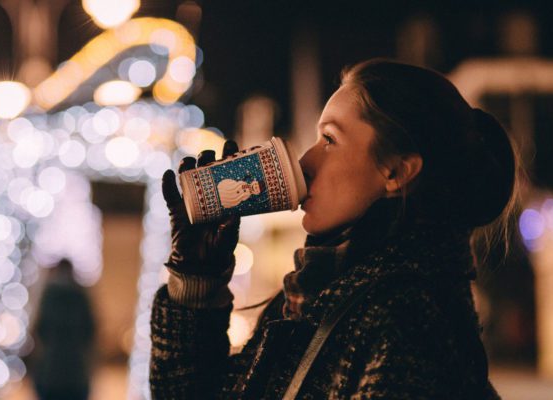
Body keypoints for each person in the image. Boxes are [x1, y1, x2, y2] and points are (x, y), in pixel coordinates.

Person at [150, 59, 517, 399]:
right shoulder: (318, 293)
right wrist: (197, 280)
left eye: (329, 139)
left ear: (397, 172)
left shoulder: (404, 322)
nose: (306, 161)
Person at [29, 259, 96, 400]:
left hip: (51, 370)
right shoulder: (80, 295)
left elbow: (40, 328)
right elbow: (90, 329)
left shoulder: (49, 295)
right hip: (75, 370)